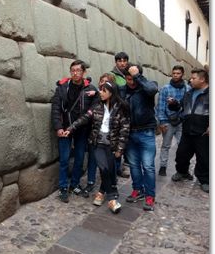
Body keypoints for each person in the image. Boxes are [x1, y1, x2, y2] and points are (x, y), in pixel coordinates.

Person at [63, 81, 130, 214]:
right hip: (97, 142)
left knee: (110, 169)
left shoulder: (121, 107)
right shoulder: (97, 106)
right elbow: (84, 118)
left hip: (112, 144)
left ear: (111, 93)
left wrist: (120, 148)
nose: (101, 93)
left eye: (104, 91)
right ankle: (112, 198)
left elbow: (125, 129)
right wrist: (70, 128)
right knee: (103, 168)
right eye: (100, 90)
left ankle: (103, 192)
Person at [51, 60, 99, 203]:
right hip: (64, 128)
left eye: (78, 70)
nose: (75, 73)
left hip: (82, 129)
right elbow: (56, 109)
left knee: (79, 159)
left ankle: (75, 184)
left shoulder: (90, 89)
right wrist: (58, 127)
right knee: (64, 159)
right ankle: (63, 187)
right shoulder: (62, 87)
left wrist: (96, 93)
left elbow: (95, 107)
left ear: (84, 72)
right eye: (73, 70)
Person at [123, 64, 159, 211]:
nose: (130, 81)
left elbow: (152, 90)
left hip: (146, 132)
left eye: (133, 78)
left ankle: (150, 195)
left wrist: (138, 76)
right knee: (133, 165)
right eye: (128, 78)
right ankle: (138, 189)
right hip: (130, 133)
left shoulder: (147, 87)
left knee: (148, 166)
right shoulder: (123, 90)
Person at [169, 68, 209, 193]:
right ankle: (182, 172)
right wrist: (174, 104)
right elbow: (181, 107)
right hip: (187, 130)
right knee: (181, 154)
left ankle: (205, 180)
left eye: (193, 78)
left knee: (204, 157)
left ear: (202, 79)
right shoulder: (189, 93)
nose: (190, 80)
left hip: (203, 132)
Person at [156, 65, 189, 176]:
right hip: (168, 121)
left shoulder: (187, 88)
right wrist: (162, 122)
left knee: (183, 147)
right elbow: (160, 106)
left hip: (182, 121)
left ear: (182, 74)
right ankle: (163, 166)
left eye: (178, 73)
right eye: (174, 73)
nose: (175, 75)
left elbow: (189, 106)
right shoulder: (166, 88)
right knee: (166, 145)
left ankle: (183, 169)